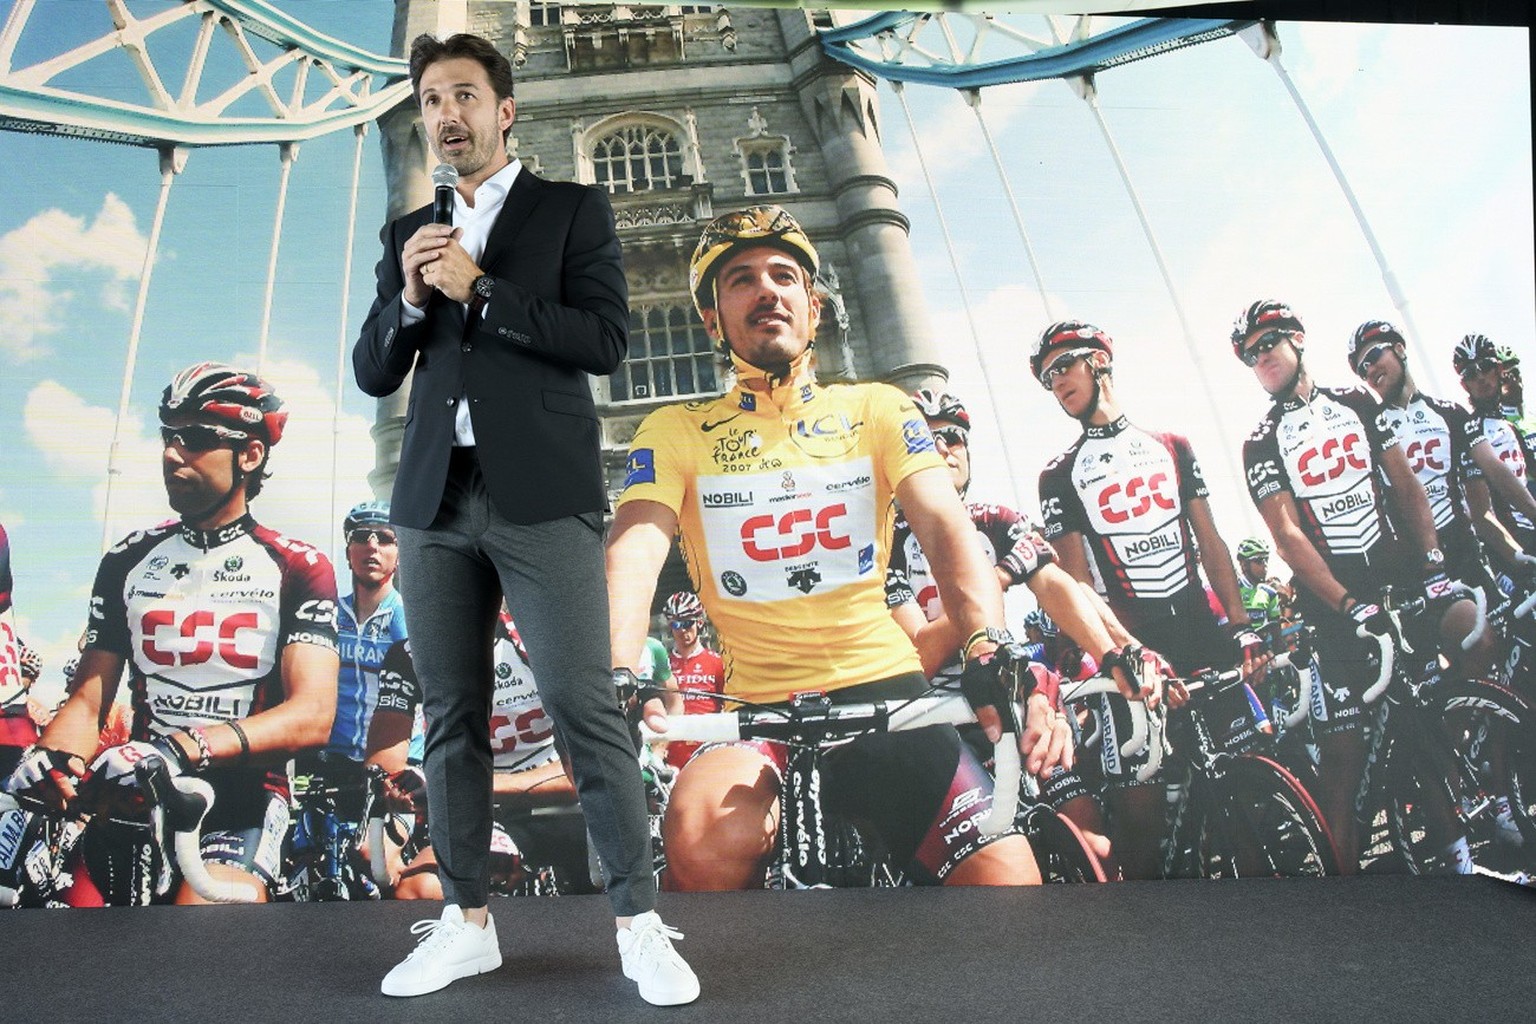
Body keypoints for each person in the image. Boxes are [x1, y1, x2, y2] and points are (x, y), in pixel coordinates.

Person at [350, 31, 693, 1004]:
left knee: (586, 710)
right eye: (429, 101)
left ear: (505, 111)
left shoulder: (573, 209)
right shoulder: (406, 231)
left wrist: (485, 292)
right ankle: (465, 924)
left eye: (464, 95)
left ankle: (638, 922)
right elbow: (375, 368)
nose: (446, 114)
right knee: (451, 719)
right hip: (433, 498)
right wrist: (412, 300)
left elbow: (606, 339)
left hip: (540, 488)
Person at [606, 205, 1074, 896]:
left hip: (887, 691)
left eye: (783, 275)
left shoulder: (879, 407)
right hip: (751, 704)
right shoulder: (674, 429)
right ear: (712, 319)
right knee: (706, 843)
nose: (766, 289)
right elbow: (635, 546)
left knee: (1010, 891)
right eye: (740, 279)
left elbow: (946, 528)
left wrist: (986, 643)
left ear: (813, 307)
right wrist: (615, 670)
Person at [2, 362, 340, 903]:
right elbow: (87, 706)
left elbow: (313, 714)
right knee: (81, 943)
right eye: (168, 435)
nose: (171, 452)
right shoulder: (126, 560)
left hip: (243, 797)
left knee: (201, 934)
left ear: (251, 455)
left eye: (197, 438)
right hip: (136, 790)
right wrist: (52, 761)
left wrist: (181, 750)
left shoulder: (299, 566)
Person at [1235, 300, 1480, 872]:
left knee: (1449, 679)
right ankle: (1345, 892)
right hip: (1333, 602)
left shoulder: (1357, 406)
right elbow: (1288, 536)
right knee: (1344, 763)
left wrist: (1435, 564)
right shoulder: (1261, 440)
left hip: (1395, 578)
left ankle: (1461, 854)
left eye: (1268, 343)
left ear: (1297, 339)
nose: (1261, 357)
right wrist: (1347, 604)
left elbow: (1408, 489)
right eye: (1250, 354)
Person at [1033, 319, 1264, 878]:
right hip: (1129, 642)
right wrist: (1131, 650)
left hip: (1198, 624)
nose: (1055, 381)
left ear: (1099, 362)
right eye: (1046, 377)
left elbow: (1210, 541)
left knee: (1255, 782)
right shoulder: (1059, 475)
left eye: (1064, 366)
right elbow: (1079, 584)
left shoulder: (1172, 446)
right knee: (1143, 819)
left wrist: (1240, 625)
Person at [366, 610, 588, 900]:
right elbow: (384, 765)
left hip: (560, 804)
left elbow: (588, 768)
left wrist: (468, 786)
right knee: (416, 891)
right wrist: (397, 795)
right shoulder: (410, 654)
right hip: (478, 811)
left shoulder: (547, 639)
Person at [297, 500, 410, 852]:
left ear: (399, 553)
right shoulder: (328, 614)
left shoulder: (409, 616)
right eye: (362, 537)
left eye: (385, 538)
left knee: (371, 856)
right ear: (348, 552)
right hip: (331, 762)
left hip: (398, 765)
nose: (372, 546)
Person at [1456, 333, 1536, 555]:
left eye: (1486, 366)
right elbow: (1482, 513)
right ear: (1464, 385)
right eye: (1471, 373)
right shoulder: (1470, 432)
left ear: (1499, 370)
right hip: (1513, 544)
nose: (1480, 376)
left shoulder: (1509, 424)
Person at [659, 592, 725, 772]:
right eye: (676, 624)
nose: (682, 630)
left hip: (708, 749)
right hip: (671, 753)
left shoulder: (717, 662)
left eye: (687, 623)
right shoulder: (663, 664)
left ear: (700, 623)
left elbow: (726, 706)